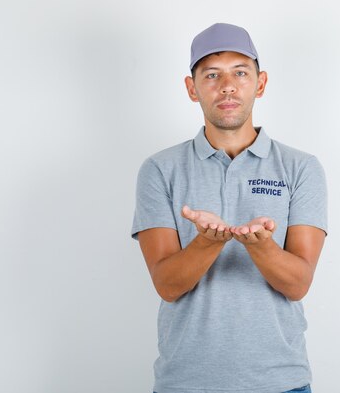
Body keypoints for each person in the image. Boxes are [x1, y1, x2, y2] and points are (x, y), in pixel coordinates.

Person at [131, 23, 328, 393]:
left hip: (280, 382)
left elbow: (298, 283)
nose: (228, 86)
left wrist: (260, 246)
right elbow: (167, 285)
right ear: (192, 88)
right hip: (185, 383)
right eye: (212, 75)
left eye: (240, 72)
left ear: (261, 83)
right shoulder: (160, 169)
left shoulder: (301, 168)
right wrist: (208, 242)